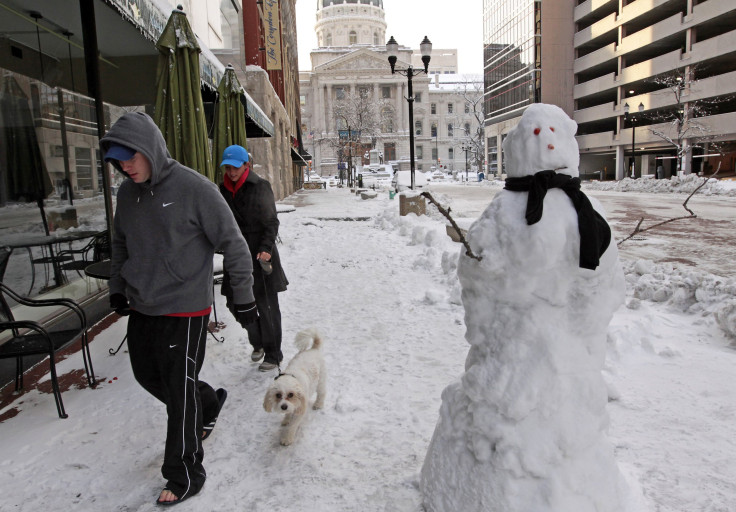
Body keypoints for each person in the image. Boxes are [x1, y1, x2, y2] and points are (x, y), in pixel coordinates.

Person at [100, 112, 258, 507]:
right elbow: (120, 243)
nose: (124, 166)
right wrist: (118, 286)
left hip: (185, 308)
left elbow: (234, 243)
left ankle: (185, 472)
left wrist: (243, 295)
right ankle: (205, 402)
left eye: (130, 157)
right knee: (148, 376)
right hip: (144, 305)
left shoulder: (194, 188)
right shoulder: (127, 194)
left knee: (175, 387)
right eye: (118, 160)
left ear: (150, 149)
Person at [218, 145, 288, 372]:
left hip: (260, 253)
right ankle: (257, 339)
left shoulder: (260, 187)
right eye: (227, 168)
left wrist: (266, 248)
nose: (231, 172)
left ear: (246, 165)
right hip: (236, 255)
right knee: (233, 300)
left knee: (266, 306)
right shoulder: (222, 190)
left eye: (235, 167)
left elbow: (271, 222)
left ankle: (273, 353)